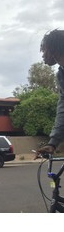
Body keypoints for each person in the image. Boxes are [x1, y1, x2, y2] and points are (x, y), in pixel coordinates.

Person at [36, 29, 64, 157]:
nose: (42, 55)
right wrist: (52, 143)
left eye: (44, 50)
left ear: (54, 49)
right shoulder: (61, 75)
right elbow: (63, 108)